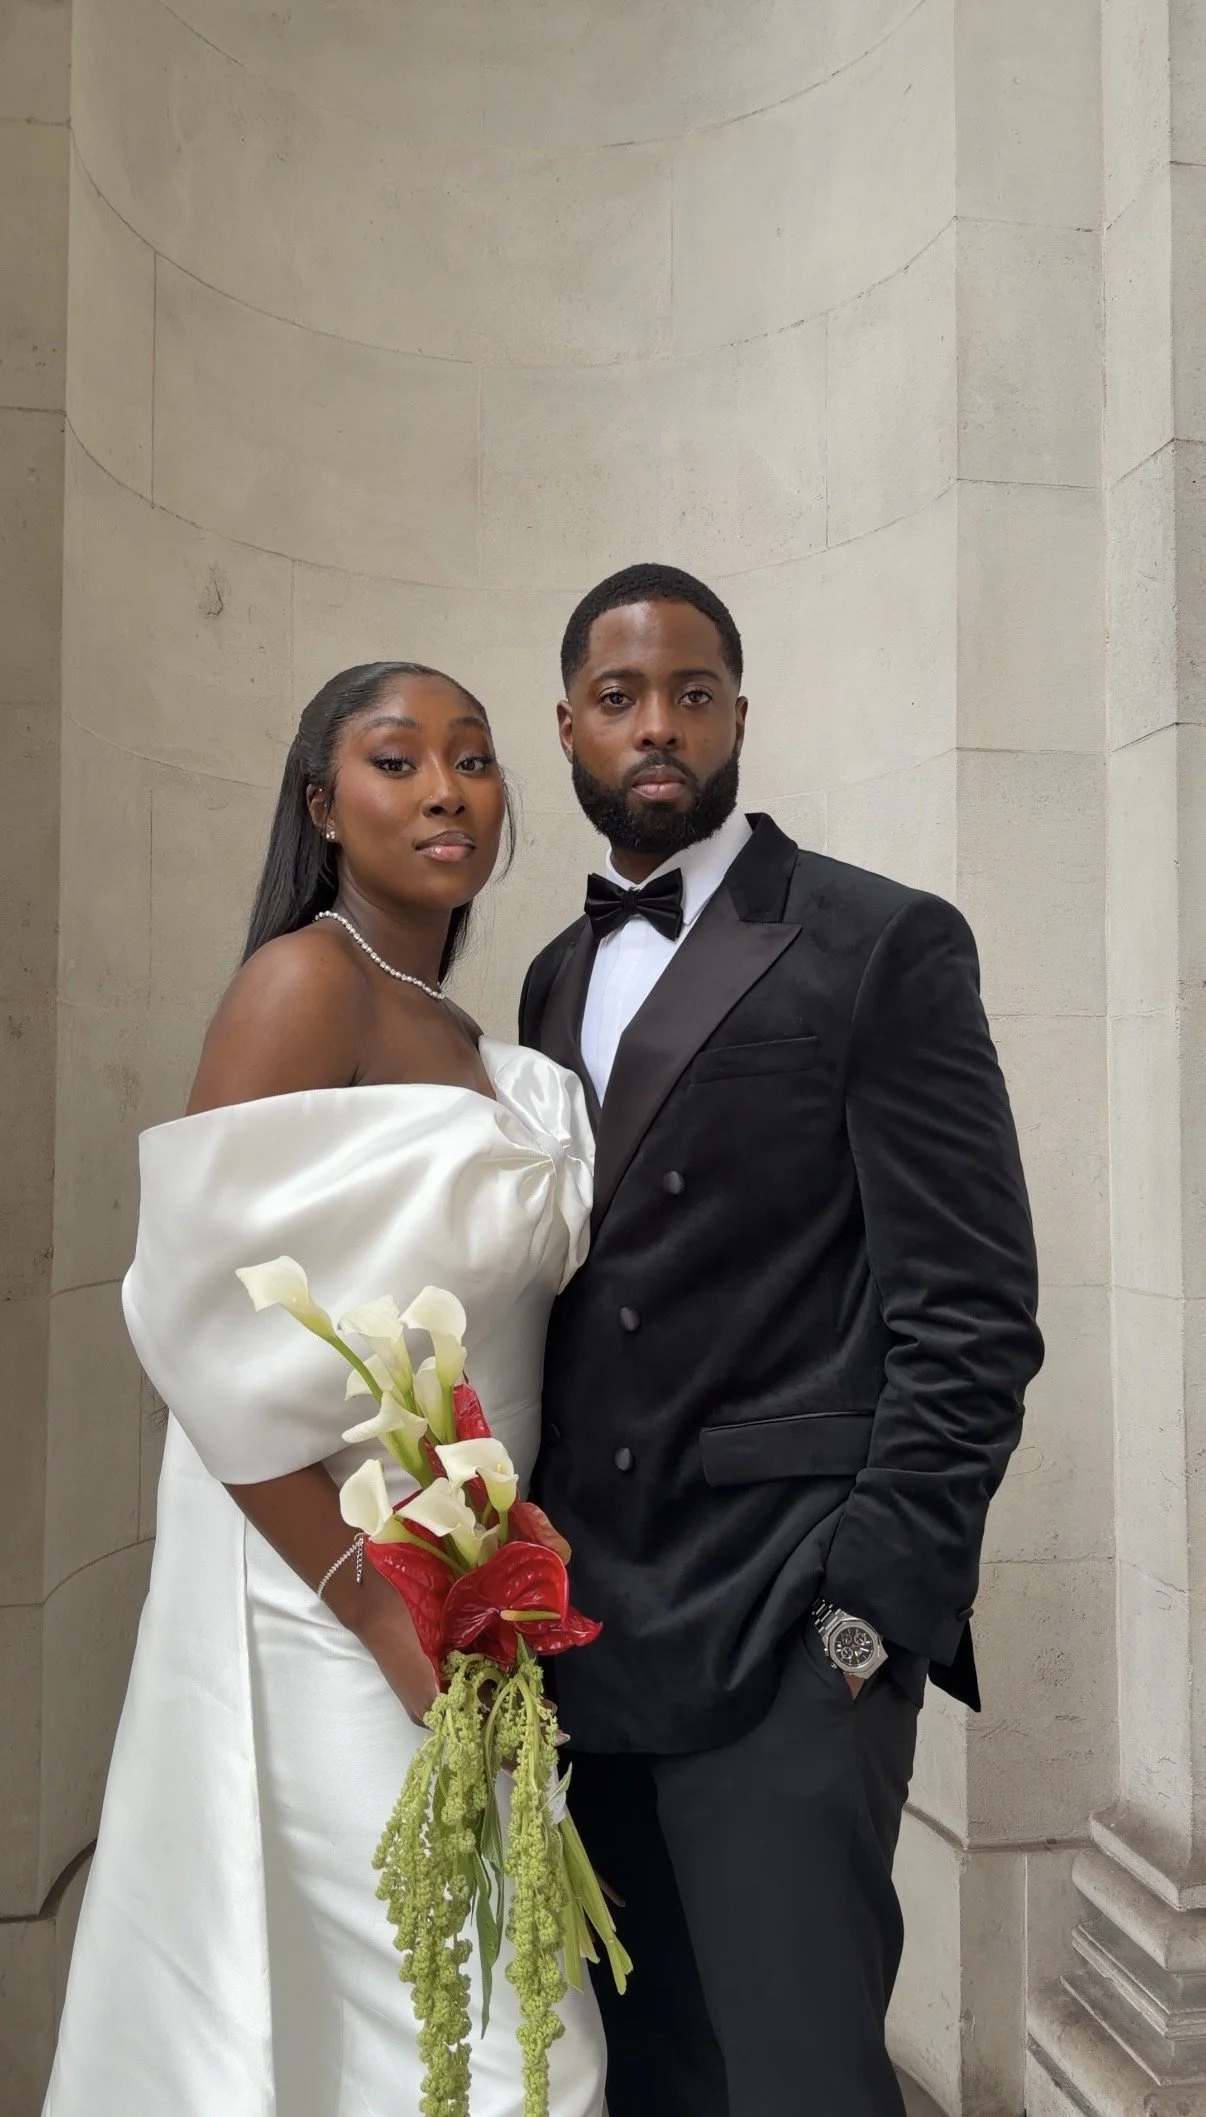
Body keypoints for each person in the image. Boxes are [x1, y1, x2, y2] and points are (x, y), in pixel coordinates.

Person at [519, 564, 1044, 2117]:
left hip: (784, 1628)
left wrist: (868, 1617)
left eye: (692, 692)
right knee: (650, 2078)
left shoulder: (877, 941)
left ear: (740, 714)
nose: (658, 726)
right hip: (588, 1629)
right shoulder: (553, 974)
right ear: (570, 727)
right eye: (620, 700)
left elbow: (972, 1312)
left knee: (801, 2081)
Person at [46, 662, 605, 2117]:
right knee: (463, 2016)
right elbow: (190, 1315)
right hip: (320, 1589)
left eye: (473, 760)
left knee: (484, 2001)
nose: (444, 789)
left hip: (468, 1587)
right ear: (321, 802)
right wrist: (367, 1595)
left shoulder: (480, 1043)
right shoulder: (307, 980)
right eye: (397, 758)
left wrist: (485, 1580)